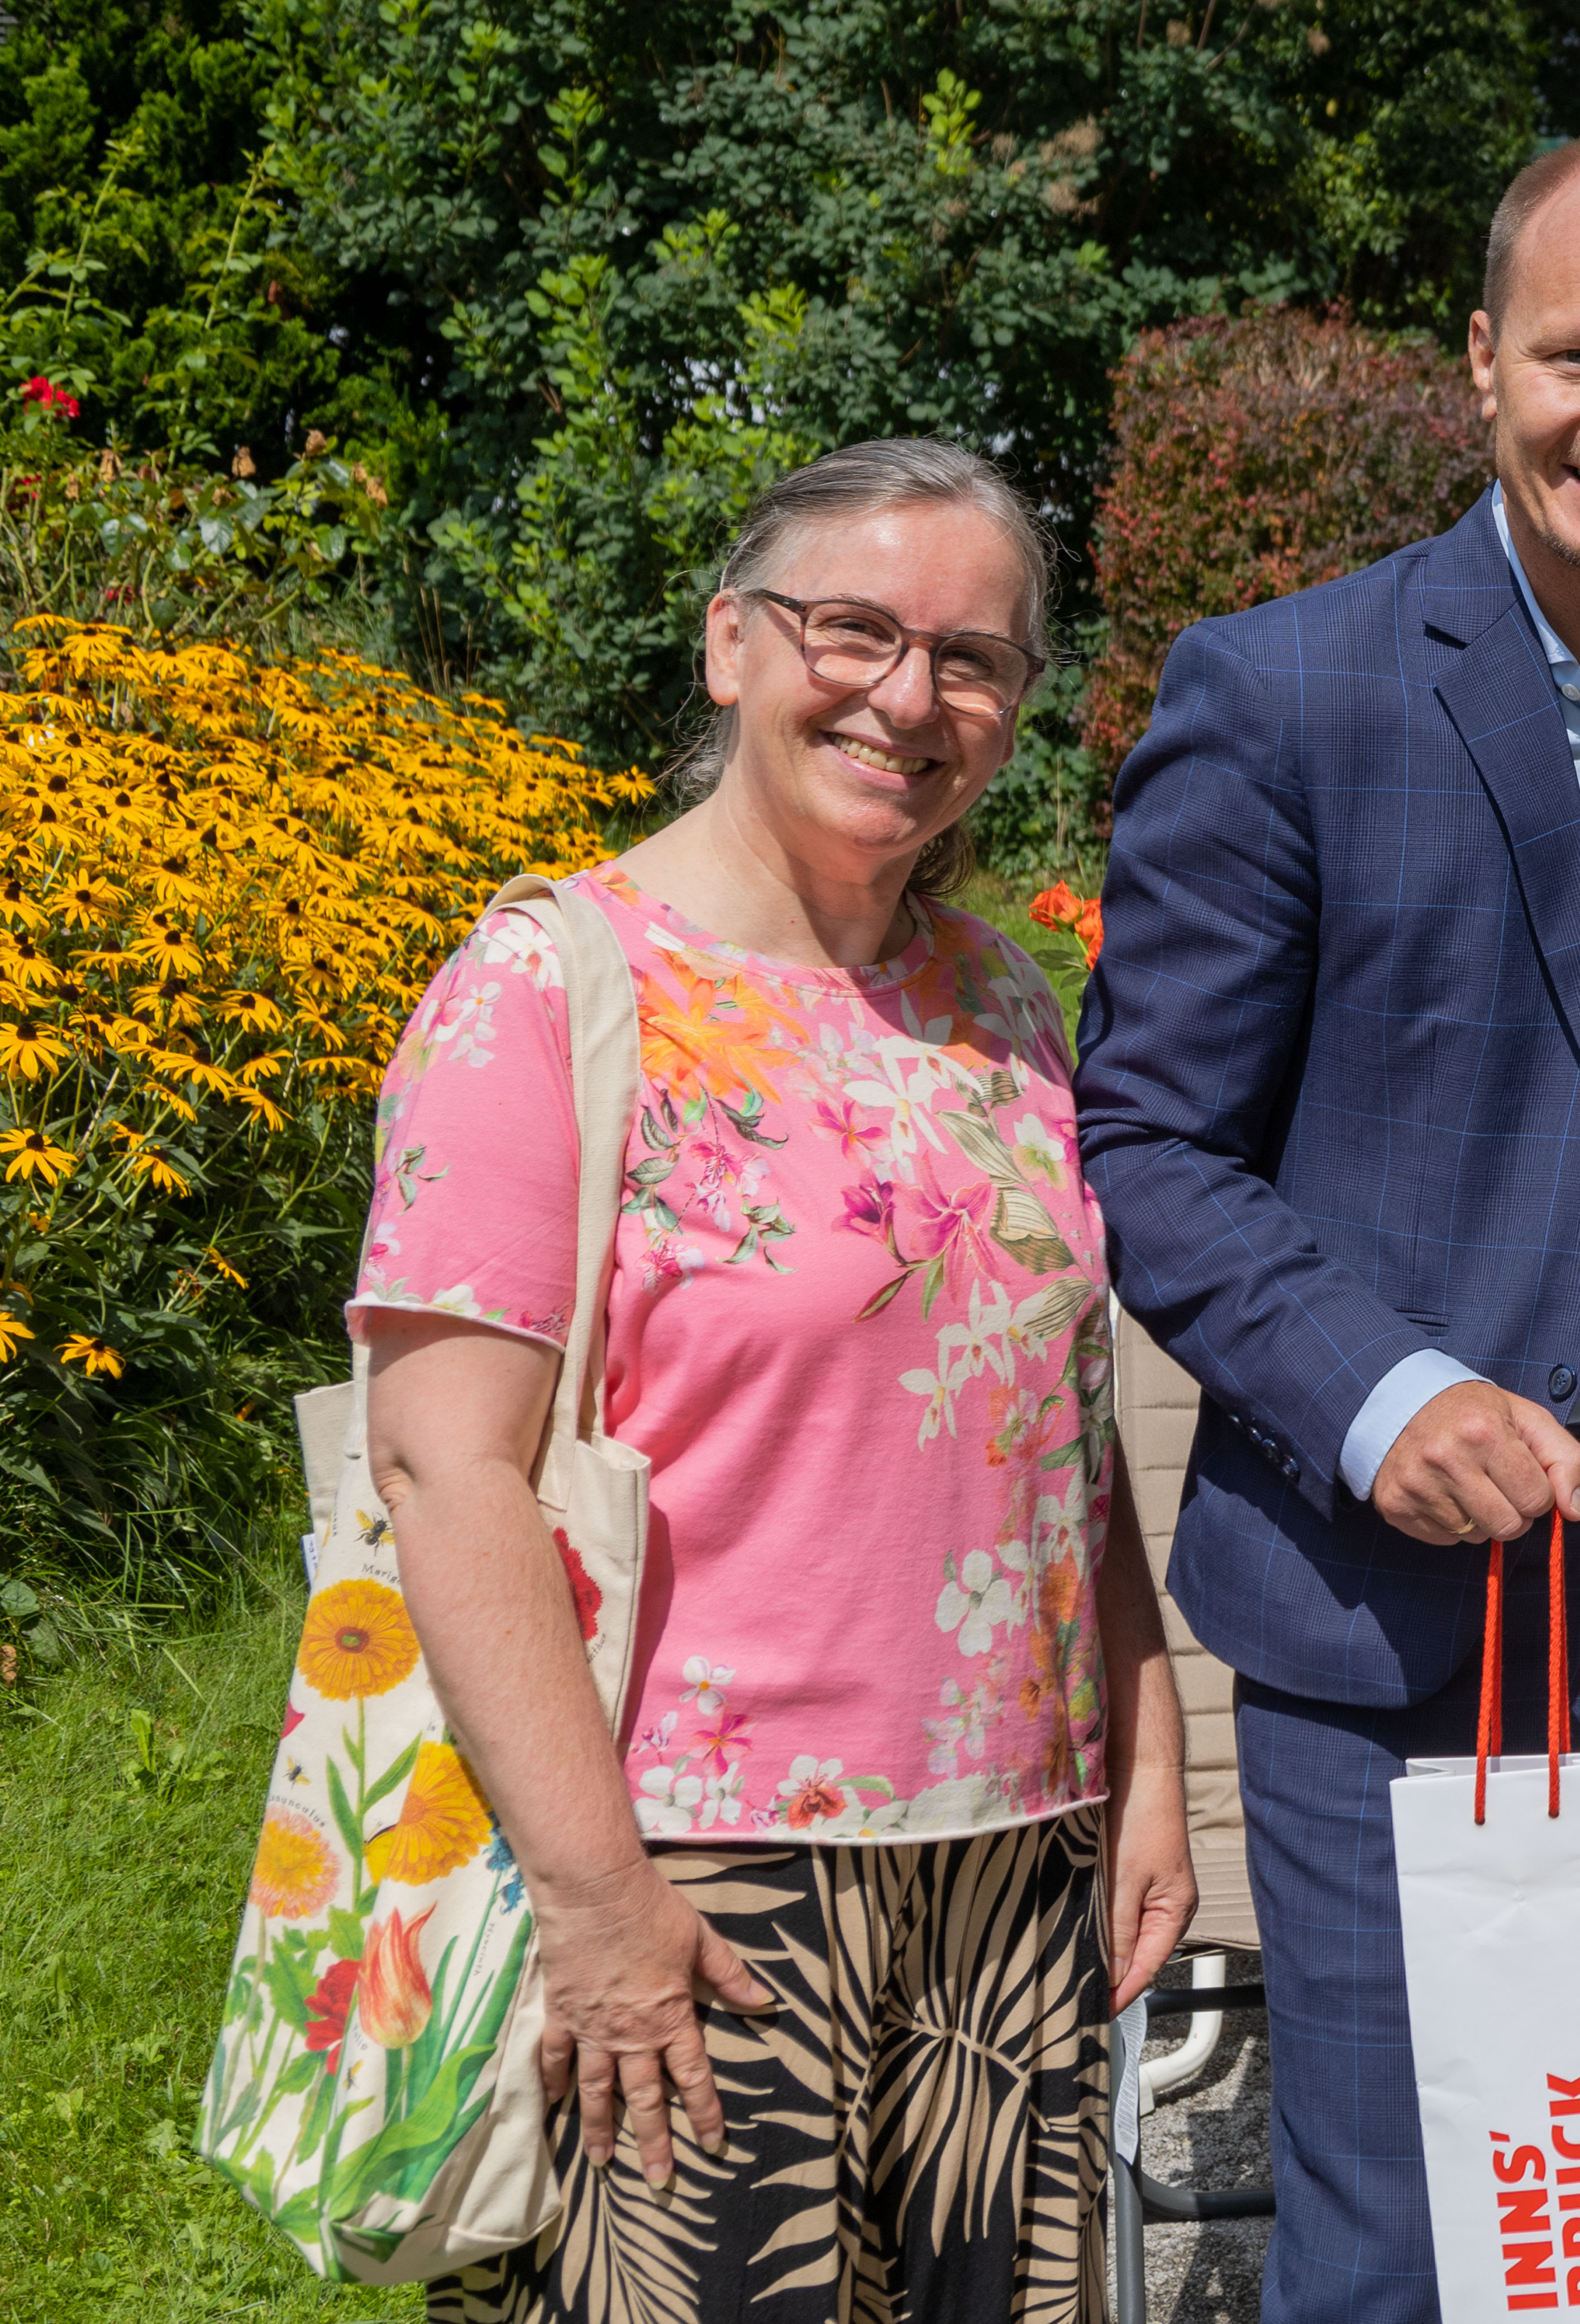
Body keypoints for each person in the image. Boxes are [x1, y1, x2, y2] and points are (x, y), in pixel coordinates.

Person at [1075, 131, 1580, 2320]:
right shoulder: (1285, 695)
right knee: (1405, 2245)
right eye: (1579, 353)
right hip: (1399, 1616)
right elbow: (1152, 1145)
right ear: (1480, 362)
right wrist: (1385, 1390)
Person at [358, 439, 1194, 2324]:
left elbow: (1064, 1433)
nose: (910, 695)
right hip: (695, 1874)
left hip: (1007, 1869)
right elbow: (445, 1475)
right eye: (853, 630)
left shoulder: (1001, 1001)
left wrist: (1141, 1768)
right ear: (733, 643)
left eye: (973, 659)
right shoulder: (557, 987)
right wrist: (596, 1904)